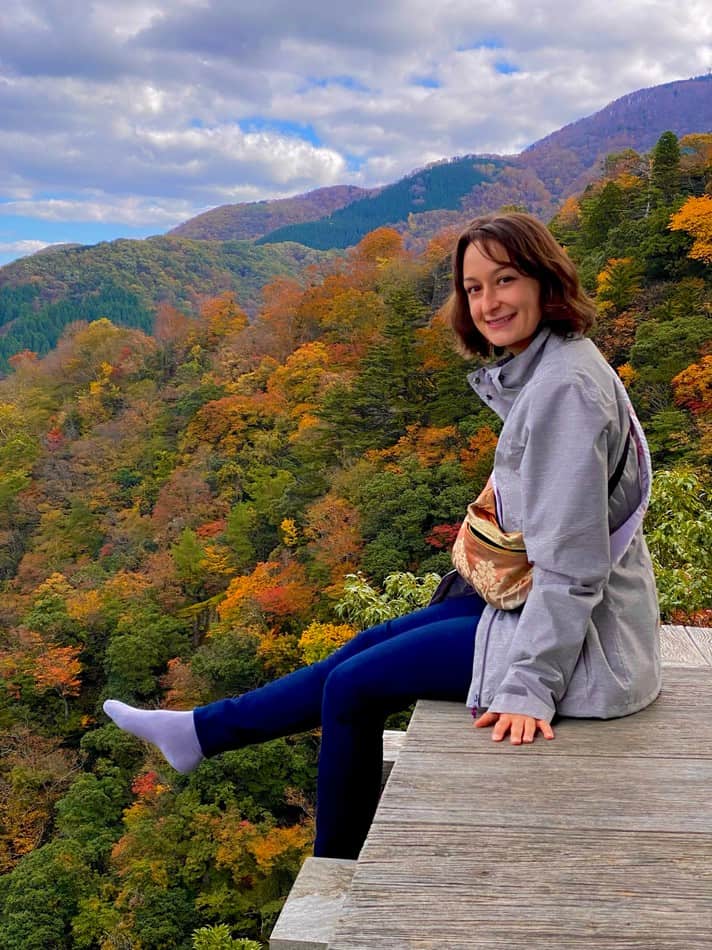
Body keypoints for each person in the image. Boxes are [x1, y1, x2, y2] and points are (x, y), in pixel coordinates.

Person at [104, 211, 661, 860]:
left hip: (591, 649)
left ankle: (337, 873)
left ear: (544, 279)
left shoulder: (564, 389)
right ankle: (199, 732)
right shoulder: (557, 363)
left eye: (504, 280)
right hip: (564, 613)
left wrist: (528, 687)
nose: (487, 302)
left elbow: (574, 570)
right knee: (367, 645)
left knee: (354, 688)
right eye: (474, 287)